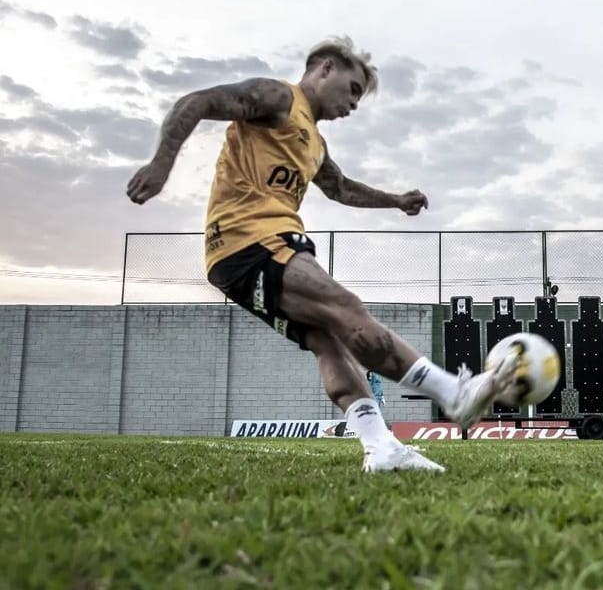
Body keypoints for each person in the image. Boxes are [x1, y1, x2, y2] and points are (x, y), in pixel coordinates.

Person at [126, 36, 516, 473]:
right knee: (346, 308)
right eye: (353, 89)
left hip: (243, 253)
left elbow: (341, 188)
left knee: (327, 341)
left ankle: (380, 447)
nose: (353, 105)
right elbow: (197, 101)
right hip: (251, 239)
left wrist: (395, 200)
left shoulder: (314, 142)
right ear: (325, 68)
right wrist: (162, 162)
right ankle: (453, 393)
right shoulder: (277, 98)